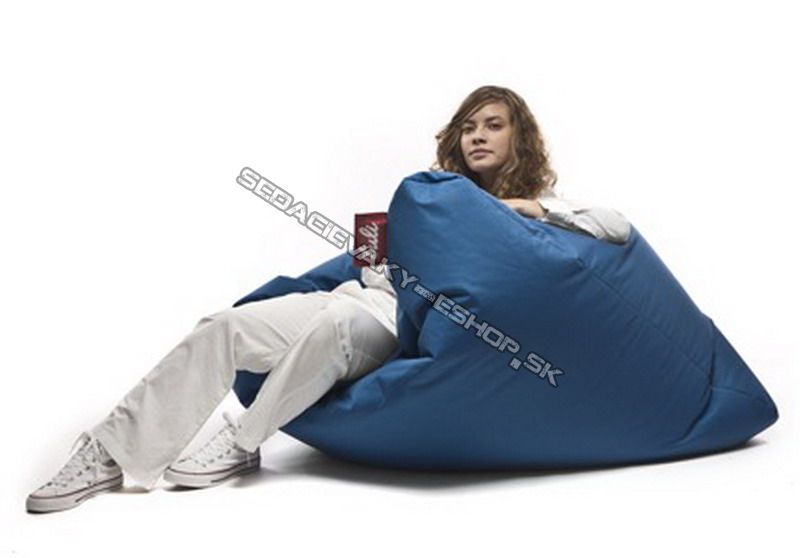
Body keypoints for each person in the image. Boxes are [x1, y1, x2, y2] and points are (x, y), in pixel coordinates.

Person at [26, 85, 631, 513]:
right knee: (225, 326)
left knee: (337, 325)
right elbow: (372, 265)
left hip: (396, 325)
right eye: (469, 127)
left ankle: (243, 441)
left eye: (493, 125)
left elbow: (616, 228)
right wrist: (375, 250)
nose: (477, 135)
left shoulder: (535, 208)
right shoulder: (436, 191)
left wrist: (530, 208)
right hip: (356, 294)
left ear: (520, 136)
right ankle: (110, 452)